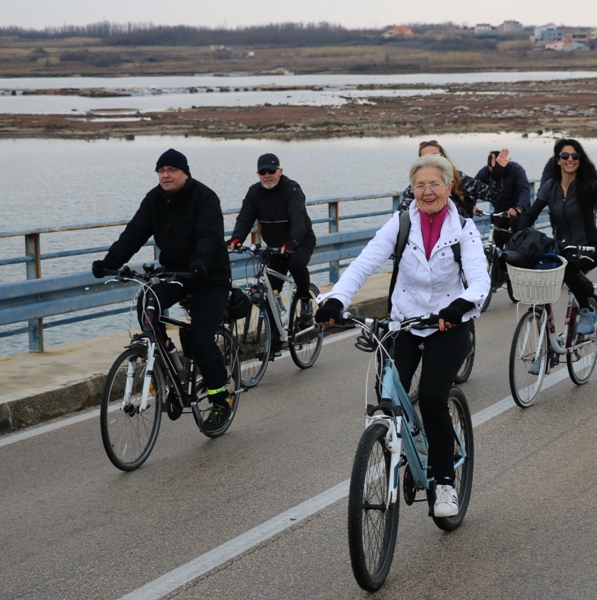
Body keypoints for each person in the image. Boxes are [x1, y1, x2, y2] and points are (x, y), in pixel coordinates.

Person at [314, 154, 490, 518]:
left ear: (448, 187)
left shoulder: (465, 229)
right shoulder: (400, 223)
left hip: (448, 324)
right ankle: (404, 450)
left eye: (434, 184)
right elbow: (363, 264)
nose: (427, 192)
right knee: (388, 400)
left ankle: (444, 484)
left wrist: (459, 306)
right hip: (404, 322)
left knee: (431, 397)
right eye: (420, 185)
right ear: (411, 190)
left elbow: (480, 280)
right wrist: (335, 301)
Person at [91, 149, 233, 433]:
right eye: (160, 170)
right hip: (174, 274)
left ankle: (221, 401)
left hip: (208, 277)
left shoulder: (205, 198)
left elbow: (210, 237)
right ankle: (165, 353)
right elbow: (134, 233)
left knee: (202, 339)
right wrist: (109, 263)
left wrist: (200, 264)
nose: (165, 175)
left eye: (171, 169)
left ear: (185, 172)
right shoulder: (154, 198)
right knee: (148, 300)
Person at [518, 137, 597, 334]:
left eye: (575, 155)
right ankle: (544, 350)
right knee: (544, 264)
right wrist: (517, 234)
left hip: (589, 249)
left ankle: (586, 309)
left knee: (568, 268)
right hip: (563, 248)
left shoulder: (587, 185)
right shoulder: (550, 186)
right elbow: (531, 214)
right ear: (558, 160)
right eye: (565, 155)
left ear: (580, 159)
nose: (570, 159)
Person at [229, 153, 317, 333]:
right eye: (263, 172)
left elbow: (297, 216)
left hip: (300, 240)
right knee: (270, 291)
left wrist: (295, 241)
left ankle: (305, 301)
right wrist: (237, 238)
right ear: (258, 174)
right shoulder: (254, 192)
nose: (267, 175)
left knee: (297, 264)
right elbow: (245, 218)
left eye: (271, 171)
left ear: (280, 171)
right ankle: (274, 341)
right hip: (275, 247)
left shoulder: (291, 189)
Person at [400, 140, 503, 218]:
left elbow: (491, 195)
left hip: (460, 236)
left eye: (436, 156)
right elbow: (402, 215)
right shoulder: (415, 189)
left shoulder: (458, 178)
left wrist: (497, 175)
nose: (432, 160)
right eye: (426, 157)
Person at [474, 150, 530, 243]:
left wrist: (518, 208)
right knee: (497, 237)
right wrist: (472, 204)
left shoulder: (516, 169)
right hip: (500, 209)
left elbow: (524, 190)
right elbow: (474, 188)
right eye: (493, 171)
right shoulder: (485, 172)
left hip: (518, 207)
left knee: (518, 236)